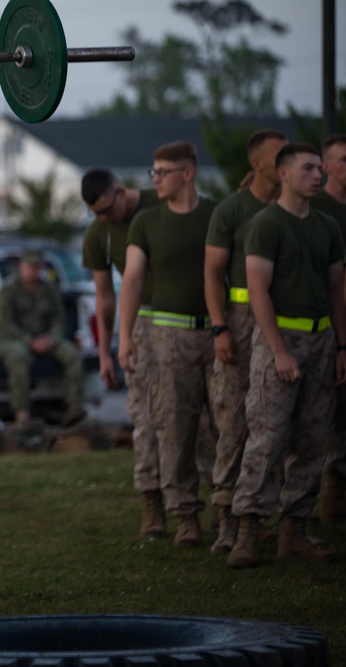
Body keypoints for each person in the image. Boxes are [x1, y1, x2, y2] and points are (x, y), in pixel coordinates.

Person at [227, 143, 346, 568]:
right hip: (281, 340)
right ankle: (247, 530)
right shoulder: (266, 225)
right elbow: (257, 291)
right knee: (268, 436)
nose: (319, 175)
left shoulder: (328, 227)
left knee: (314, 440)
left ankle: (294, 530)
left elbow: (336, 289)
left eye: (320, 168)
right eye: (309, 168)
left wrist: (341, 345)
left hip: (321, 341)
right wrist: (278, 350)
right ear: (284, 174)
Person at [119, 141, 217, 549]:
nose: (155, 179)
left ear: (188, 173)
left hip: (217, 331)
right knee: (173, 426)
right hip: (167, 335)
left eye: (163, 172)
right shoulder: (146, 222)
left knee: (225, 428)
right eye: (153, 172)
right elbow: (132, 280)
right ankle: (185, 514)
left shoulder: (216, 215)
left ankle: (231, 513)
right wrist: (125, 337)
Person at [203, 129, 287, 554]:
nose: (287, 161)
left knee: (273, 424)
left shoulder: (297, 210)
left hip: (288, 323)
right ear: (257, 164)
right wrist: (220, 327)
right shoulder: (233, 209)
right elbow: (213, 272)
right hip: (239, 322)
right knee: (233, 421)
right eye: (279, 156)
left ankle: (264, 516)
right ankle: (226, 520)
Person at [80, 169, 163, 536]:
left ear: (121, 192)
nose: (103, 219)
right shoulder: (99, 234)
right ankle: (153, 506)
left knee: (203, 421)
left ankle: (214, 509)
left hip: (185, 319)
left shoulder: (160, 202)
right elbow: (105, 298)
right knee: (145, 420)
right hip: (140, 326)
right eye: (95, 214)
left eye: (106, 210)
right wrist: (105, 353)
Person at [0, 249, 84, 427]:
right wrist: (30, 341)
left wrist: (52, 338)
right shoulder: (8, 289)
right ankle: (22, 412)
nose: (33, 271)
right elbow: (5, 324)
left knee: (72, 355)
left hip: (46, 338)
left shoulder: (49, 289)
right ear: (21, 266)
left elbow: (58, 320)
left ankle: (74, 408)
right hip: (14, 339)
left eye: (36, 267)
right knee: (18, 357)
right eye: (29, 266)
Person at [313, 134, 346, 525]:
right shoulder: (316, 209)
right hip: (328, 323)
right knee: (330, 418)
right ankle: (333, 502)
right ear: (327, 167)